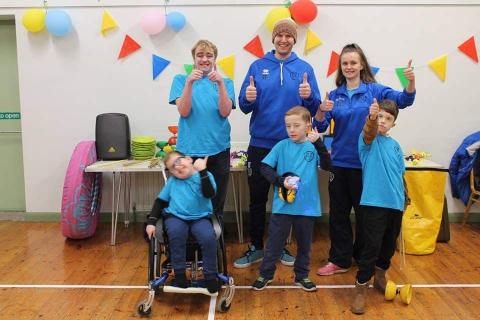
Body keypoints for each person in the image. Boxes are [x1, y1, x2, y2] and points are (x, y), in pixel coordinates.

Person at [314, 43, 416, 276]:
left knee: (366, 217)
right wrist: (321, 109)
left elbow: (404, 101)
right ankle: (339, 260)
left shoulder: (375, 91)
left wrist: (410, 82)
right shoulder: (335, 94)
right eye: (345, 63)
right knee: (338, 215)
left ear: (361, 65)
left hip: (367, 167)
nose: (349, 67)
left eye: (353, 62)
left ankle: (363, 258)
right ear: (341, 67)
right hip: (339, 164)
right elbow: (319, 125)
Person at [235, 18, 322, 268]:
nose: (284, 39)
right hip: (261, 144)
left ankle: (280, 245)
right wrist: (248, 98)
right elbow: (242, 105)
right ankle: (256, 247)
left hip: (291, 146)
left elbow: (315, 108)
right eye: (279, 35)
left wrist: (310, 96)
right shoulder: (257, 66)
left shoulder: (304, 68)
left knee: (285, 197)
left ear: (295, 40)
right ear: (273, 38)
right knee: (257, 197)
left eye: (289, 36)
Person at [251, 106, 330, 291]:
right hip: (283, 206)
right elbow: (264, 168)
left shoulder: (313, 146)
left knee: (305, 245)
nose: (292, 130)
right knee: (274, 244)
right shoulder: (281, 146)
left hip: (307, 207)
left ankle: (302, 276)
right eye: (288, 126)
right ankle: (265, 274)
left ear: (308, 125)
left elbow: (327, 165)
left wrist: (319, 143)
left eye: (296, 125)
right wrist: (280, 181)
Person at [351, 99, 407, 314]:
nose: (383, 121)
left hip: (395, 204)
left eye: (388, 118)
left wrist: (405, 196)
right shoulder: (368, 140)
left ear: (394, 123)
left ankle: (380, 276)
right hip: (374, 203)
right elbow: (368, 131)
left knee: (388, 246)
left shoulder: (395, 145)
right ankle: (361, 288)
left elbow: (400, 173)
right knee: (371, 247)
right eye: (380, 117)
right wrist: (372, 118)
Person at [169, 39, 235, 219]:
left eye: (209, 55)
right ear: (194, 59)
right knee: (189, 200)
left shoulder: (226, 82)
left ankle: (213, 242)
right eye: (200, 55)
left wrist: (221, 84)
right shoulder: (181, 80)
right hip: (188, 150)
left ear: (215, 59)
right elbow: (184, 110)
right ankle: (191, 242)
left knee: (216, 201)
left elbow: (225, 112)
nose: (204, 59)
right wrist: (190, 83)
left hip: (218, 149)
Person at [145, 151, 220, 293]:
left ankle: (210, 277)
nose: (177, 167)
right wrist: (151, 222)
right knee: (176, 233)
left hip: (200, 217)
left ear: (189, 159)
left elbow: (209, 194)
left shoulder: (205, 176)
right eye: (172, 167)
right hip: (176, 216)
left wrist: (203, 171)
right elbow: (160, 201)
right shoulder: (173, 182)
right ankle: (179, 275)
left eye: (179, 161)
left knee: (208, 237)